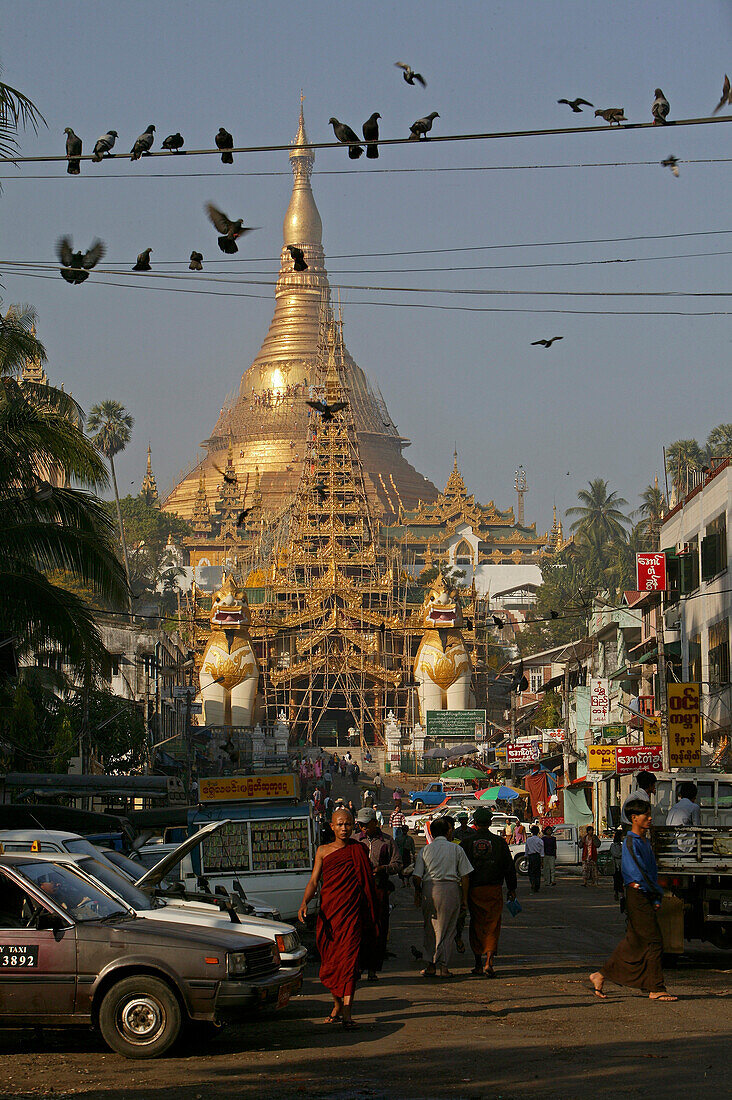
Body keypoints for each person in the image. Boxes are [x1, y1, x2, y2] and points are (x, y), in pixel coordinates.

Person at [298, 808, 380, 1028]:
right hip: (330, 914)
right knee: (331, 963)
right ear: (332, 826)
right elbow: (314, 881)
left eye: (348, 824)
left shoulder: (359, 850)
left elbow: (366, 882)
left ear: (353, 825)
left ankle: (347, 1013)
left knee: (350, 962)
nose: (344, 828)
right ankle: (336, 1005)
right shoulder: (323, 851)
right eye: (340, 824)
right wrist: (305, 902)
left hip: (352, 914)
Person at [590, 799, 677, 1001]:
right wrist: (647, 891)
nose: (649, 818)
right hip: (637, 894)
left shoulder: (644, 841)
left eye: (649, 814)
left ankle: (601, 975)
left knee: (635, 942)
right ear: (634, 818)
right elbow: (635, 873)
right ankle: (656, 987)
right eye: (645, 815)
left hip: (647, 893)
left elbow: (651, 871)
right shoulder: (631, 842)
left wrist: (656, 895)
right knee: (654, 941)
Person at [413, 815, 473, 978]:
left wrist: (418, 893)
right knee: (448, 929)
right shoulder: (456, 849)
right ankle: (444, 967)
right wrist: (464, 899)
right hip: (451, 890)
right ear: (448, 832)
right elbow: (465, 876)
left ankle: (431, 964)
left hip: (429, 889)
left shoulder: (426, 850)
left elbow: (417, 876)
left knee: (430, 928)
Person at [460, 805, 516, 977]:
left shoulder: (467, 843)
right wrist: (512, 889)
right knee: (492, 925)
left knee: (476, 924)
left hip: (473, 890)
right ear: (490, 822)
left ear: (475, 823)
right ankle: (488, 962)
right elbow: (509, 867)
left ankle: (478, 963)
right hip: (494, 890)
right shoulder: (499, 843)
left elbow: (460, 869)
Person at [356, 807, 402, 979]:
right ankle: (359, 967)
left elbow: (398, 864)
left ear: (375, 823)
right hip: (359, 893)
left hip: (379, 891)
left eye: (367, 825)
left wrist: (383, 869)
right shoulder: (354, 841)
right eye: (361, 825)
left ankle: (373, 969)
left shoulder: (387, 841)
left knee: (378, 929)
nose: (364, 828)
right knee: (359, 929)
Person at [525, 825, 544, 893]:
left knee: (531, 871)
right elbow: (542, 852)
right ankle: (537, 885)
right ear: (538, 832)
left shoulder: (528, 840)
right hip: (537, 856)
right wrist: (542, 861)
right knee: (537, 872)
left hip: (531, 856)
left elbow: (526, 850)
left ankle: (532, 883)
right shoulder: (540, 840)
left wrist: (526, 859)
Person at [610, 828, 624, 903]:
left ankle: (621, 894)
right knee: (617, 880)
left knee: (621, 880)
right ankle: (617, 893)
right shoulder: (614, 846)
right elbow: (616, 854)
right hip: (616, 866)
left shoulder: (622, 845)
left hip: (622, 866)